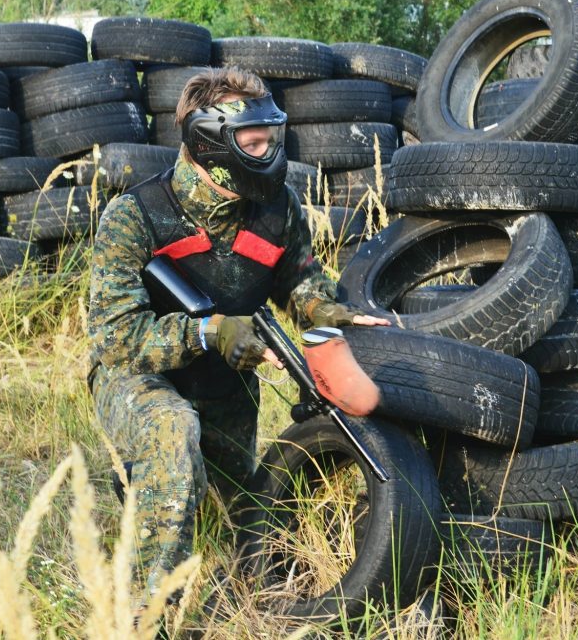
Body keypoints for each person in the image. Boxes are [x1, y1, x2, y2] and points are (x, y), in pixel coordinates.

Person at [86, 66, 389, 600]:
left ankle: (154, 485)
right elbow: (116, 338)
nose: (269, 152)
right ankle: (150, 611)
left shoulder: (276, 209)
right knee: (173, 435)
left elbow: (298, 280)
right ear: (210, 145)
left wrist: (327, 311)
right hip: (138, 380)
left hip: (226, 382)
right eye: (253, 143)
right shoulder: (136, 215)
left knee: (248, 518)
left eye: (270, 138)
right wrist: (210, 331)